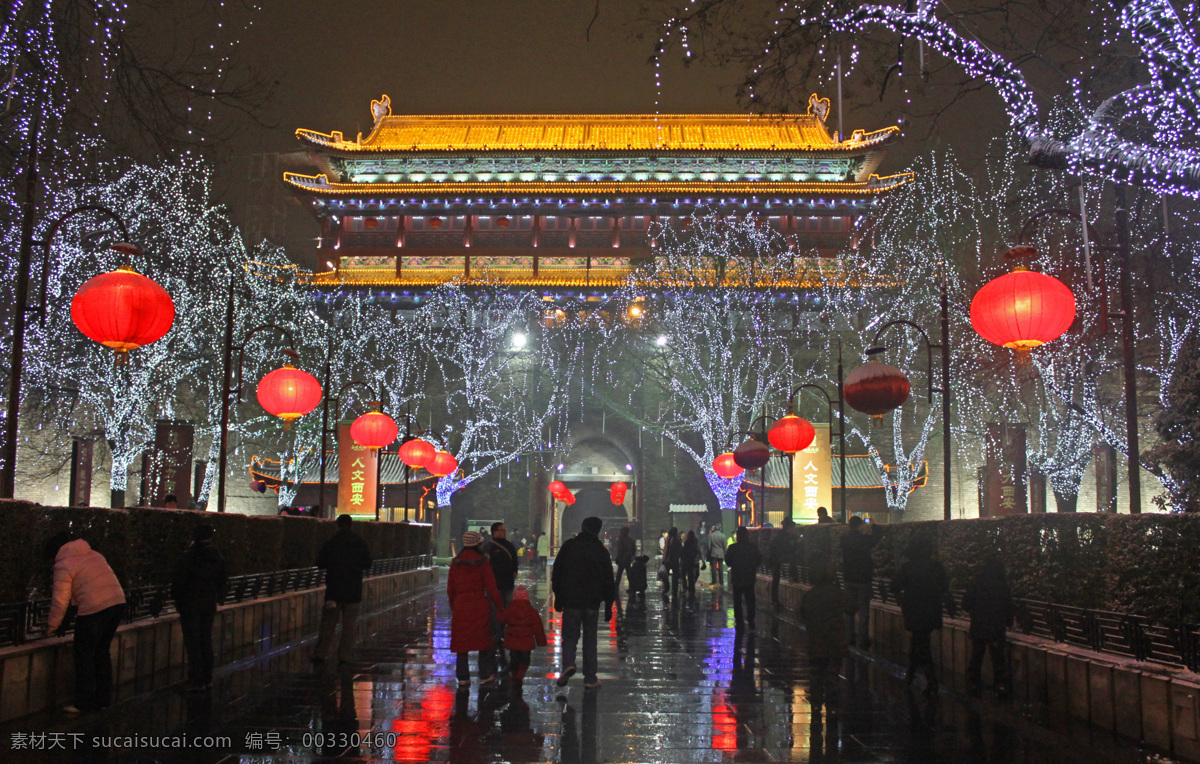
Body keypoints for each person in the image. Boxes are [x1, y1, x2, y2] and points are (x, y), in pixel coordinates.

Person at [44, 533, 127, 713]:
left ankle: (84, 702)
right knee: (101, 652)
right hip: (117, 603)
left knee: (84, 656)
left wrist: (51, 627)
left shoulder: (64, 564)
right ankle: (104, 699)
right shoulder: (94, 554)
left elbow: (60, 600)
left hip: (94, 608)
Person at [551, 516, 615, 690]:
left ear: (582, 527)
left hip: (571, 600)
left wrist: (558, 596)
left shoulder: (570, 546)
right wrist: (609, 605)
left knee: (570, 637)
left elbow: (557, 572)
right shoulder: (600, 550)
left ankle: (568, 664)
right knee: (590, 640)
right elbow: (609, 580)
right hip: (592, 602)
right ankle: (590, 677)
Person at [171, 523, 228, 691]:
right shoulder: (217, 556)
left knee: (193, 641)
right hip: (208, 602)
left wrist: (177, 600)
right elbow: (223, 580)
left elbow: (178, 582)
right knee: (205, 639)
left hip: (190, 603)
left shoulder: (188, 557)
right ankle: (207, 677)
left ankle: (196, 679)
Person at [312, 514, 373, 664]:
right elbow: (367, 563)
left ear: (337, 525)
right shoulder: (359, 543)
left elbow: (320, 563)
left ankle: (321, 653)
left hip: (334, 590)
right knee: (349, 626)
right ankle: (344, 655)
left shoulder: (331, 542)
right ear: (351, 525)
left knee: (328, 624)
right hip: (353, 591)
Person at [892, 536, 950, 694]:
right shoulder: (935, 566)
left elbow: (895, 585)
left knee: (919, 643)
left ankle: (924, 679)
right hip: (931, 610)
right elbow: (944, 586)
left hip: (913, 610)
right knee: (920, 642)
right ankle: (919, 678)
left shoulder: (908, 567)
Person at [448, 531, 504, 687]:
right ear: (478, 544)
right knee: (483, 641)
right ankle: (485, 674)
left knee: (461, 644)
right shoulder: (482, 562)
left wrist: (454, 605)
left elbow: (450, 589)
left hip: (460, 607)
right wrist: (500, 605)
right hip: (479, 606)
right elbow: (491, 588)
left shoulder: (456, 563)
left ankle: (463, 676)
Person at [800, 559, 855, 707]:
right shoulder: (837, 593)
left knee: (816, 676)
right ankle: (832, 710)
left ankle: (816, 709)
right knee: (832, 677)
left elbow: (802, 614)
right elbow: (852, 608)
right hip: (835, 642)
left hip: (815, 643)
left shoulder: (809, 596)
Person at [962, 554, 1015, 697]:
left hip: (979, 625)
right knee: (998, 659)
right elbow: (1008, 605)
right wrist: (1009, 622)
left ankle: (973, 683)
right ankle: (1000, 684)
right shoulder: (1002, 584)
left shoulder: (976, 582)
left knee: (976, 656)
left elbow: (965, 604)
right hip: (997, 627)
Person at [483, 522, 519, 670]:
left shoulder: (509, 546)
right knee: (495, 610)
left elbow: (515, 561)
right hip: (495, 586)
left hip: (508, 584)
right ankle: (497, 633)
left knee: (508, 609)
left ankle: (504, 631)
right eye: (500, 530)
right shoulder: (489, 547)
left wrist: (515, 571)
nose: (503, 533)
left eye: (504, 530)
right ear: (494, 532)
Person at [840, 515, 881, 648]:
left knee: (849, 609)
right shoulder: (863, 540)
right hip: (863, 578)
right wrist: (873, 524)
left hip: (848, 577)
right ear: (860, 526)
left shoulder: (844, 539)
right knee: (863, 609)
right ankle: (863, 638)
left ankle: (849, 636)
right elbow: (877, 537)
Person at [497, 585, 547, 684]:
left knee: (514, 659)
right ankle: (520, 675)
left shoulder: (510, 609)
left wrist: (499, 610)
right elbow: (538, 627)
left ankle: (514, 674)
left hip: (513, 641)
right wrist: (541, 641)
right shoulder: (531, 610)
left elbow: (501, 619)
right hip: (526, 642)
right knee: (525, 660)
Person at [724, 527, 762, 631]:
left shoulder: (732, 547)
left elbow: (728, 561)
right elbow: (759, 560)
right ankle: (751, 620)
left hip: (737, 578)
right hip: (749, 577)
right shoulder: (753, 547)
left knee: (737, 601)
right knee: (750, 600)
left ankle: (739, 621)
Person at [768, 518, 797, 609]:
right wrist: (796, 543)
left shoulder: (779, 535)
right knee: (776, 580)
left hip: (775, 560)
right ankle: (775, 601)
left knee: (775, 580)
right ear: (790, 528)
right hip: (778, 560)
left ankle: (774, 601)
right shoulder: (785, 537)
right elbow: (788, 549)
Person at [612, 525, 636, 590]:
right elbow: (634, 549)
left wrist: (618, 557)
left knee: (619, 574)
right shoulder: (630, 540)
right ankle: (631, 587)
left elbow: (620, 550)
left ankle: (616, 587)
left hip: (622, 559)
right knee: (629, 574)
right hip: (628, 559)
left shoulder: (621, 539)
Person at [663, 527, 683, 602]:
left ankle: (667, 587)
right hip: (675, 560)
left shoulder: (669, 540)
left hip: (669, 560)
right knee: (675, 575)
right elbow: (680, 550)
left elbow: (666, 550)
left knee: (665, 574)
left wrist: (664, 559)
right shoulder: (677, 540)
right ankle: (674, 589)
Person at [681, 530, 701, 602]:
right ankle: (691, 588)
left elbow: (684, 551)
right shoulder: (696, 542)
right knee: (692, 575)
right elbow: (698, 551)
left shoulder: (687, 542)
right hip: (693, 561)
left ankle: (686, 587)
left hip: (687, 561)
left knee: (684, 574)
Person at [706, 523, 727, 588]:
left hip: (713, 552)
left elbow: (709, 546)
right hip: (721, 553)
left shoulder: (711, 535)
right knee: (721, 568)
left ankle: (714, 581)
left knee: (714, 568)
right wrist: (724, 553)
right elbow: (725, 546)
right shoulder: (723, 536)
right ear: (720, 528)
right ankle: (721, 582)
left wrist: (709, 552)